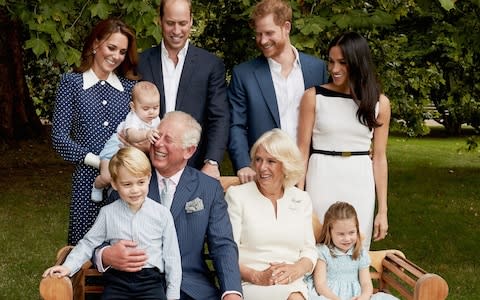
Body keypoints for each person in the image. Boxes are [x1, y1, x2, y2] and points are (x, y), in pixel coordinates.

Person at [95, 111, 242, 300]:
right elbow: (98, 239)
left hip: (190, 289)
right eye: (157, 135)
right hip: (135, 289)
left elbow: (222, 245)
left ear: (189, 150)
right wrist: (106, 255)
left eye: (168, 139)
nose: (158, 143)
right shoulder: (130, 181)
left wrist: (231, 292)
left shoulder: (208, 189)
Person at [43, 147, 182, 300]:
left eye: (141, 182)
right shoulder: (107, 213)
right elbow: (88, 243)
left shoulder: (162, 214)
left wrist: (173, 296)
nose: (135, 190)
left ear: (149, 178)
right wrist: (67, 267)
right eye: (127, 184)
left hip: (150, 282)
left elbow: (172, 258)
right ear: (115, 184)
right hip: (117, 282)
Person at [297, 32, 391, 250]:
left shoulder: (380, 103)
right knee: (318, 243)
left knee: (356, 247)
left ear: (358, 64)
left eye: (342, 63)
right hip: (321, 175)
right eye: (331, 61)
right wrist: (298, 198)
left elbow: (379, 157)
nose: (334, 69)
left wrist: (383, 210)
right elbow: (301, 152)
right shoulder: (313, 97)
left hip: (360, 180)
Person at [51, 18, 139, 245]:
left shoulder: (130, 89)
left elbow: (141, 126)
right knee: (84, 248)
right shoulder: (71, 83)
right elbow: (59, 137)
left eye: (122, 51)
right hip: (87, 180)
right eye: (111, 48)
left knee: (121, 247)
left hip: (124, 181)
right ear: (94, 44)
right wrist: (97, 162)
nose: (116, 56)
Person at [228, 0, 328, 184]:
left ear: (286, 27)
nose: (263, 40)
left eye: (269, 33)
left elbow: (328, 118)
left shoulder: (317, 69)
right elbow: (236, 125)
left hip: (309, 173)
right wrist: (243, 164)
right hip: (263, 173)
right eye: (258, 34)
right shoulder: (244, 74)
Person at [137, 0, 229, 179]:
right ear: (159, 21)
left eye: (182, 23)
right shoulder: (140, 63)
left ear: (191, 21)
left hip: (193, 165)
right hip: (145, 165)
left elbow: (219, 117)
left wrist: (212, 162)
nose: (177, 31)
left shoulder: (210, 65)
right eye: (170, 23)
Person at [225, 129, 317, 300]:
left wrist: (296, 269)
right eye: (258, 160)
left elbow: (309, 250)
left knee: (295, 296)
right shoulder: (237, 196)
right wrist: (257, 276)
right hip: (251, 282)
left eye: (271, 161)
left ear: (286, 165)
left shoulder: (301, 198)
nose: (262, 167)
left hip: (292, 282)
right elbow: (228, 252)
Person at [306, 202, 398, 300]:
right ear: (329, 232)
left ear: (357, 230)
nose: (347, 238)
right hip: (330, 297)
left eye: (351, 232)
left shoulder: (359, 253)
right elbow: (320, 285)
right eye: (341, 234)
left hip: (355, 297)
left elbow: (366, 283)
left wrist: (364, 297)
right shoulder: (323, 252)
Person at [90, 81, 161, 202]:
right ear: (133, 107)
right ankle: (97, 185)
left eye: (155, 107)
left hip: (131, 153)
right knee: (107, 177)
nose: (151, 112)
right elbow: (131, 136)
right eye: (146, 108)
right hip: (115, 149)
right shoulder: (133, 118)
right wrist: (146, 134)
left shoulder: (155, 119)